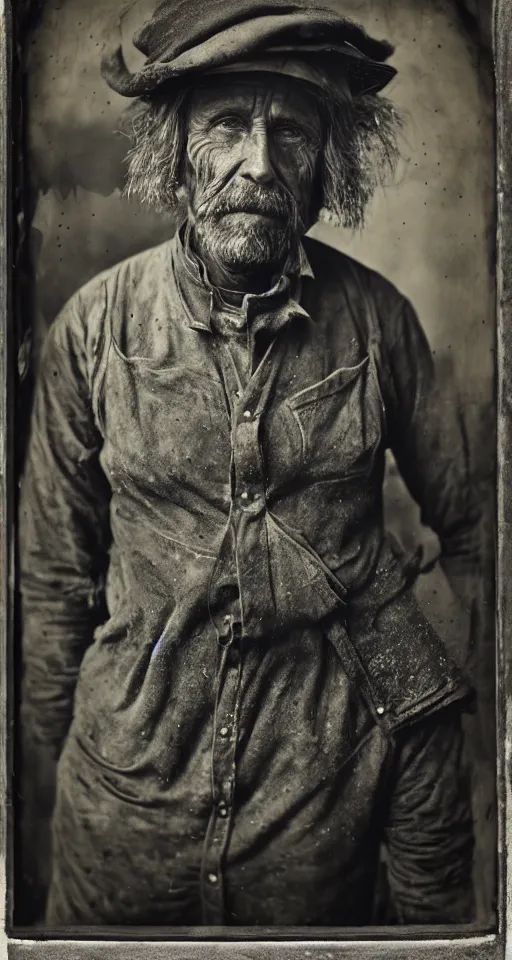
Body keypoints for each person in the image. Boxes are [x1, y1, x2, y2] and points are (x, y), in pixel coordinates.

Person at [20, 0, 480, 928]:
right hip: (121, 829)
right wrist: (71, 765)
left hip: (319, 833)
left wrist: (415, 706)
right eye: (229, 124)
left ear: (325, 169)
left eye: (292, 133)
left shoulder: (381, 325)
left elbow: (480, 529)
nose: (258, 164)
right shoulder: (95, 331)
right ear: (177, 157)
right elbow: (52, 584)